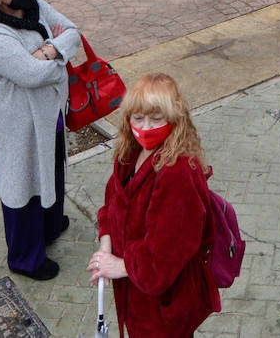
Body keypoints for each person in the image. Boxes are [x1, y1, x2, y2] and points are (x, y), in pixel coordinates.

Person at [0, 0, 83, 280]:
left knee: (51, 170)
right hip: (16, 122)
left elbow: (72, 31)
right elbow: (31, 74)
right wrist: (58, 55)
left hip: (48, 113)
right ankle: (25, 258)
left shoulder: (31, 5)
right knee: (23, 183)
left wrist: (48, 51)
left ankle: (49, 226)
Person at [89, 73, 220, 336]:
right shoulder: (131, 152)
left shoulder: (178, 171)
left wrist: (120, 266)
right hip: (136, 296)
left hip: (164, 305)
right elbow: (112, 198)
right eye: (138, 118)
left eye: (156, 118)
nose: (146, 127)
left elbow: (166, 253)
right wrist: (106, 248)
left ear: (174, 117)